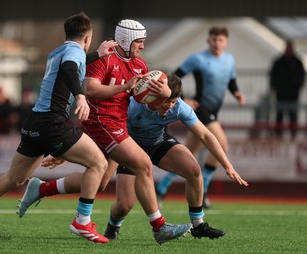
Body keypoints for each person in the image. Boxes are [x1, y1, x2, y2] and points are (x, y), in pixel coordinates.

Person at [19, 19, 193, 245]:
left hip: (117, 123)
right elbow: (90, 90)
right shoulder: (104, 58)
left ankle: (41, 188)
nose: (142, 46)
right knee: (143, 164)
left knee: (99, 181)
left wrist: (164, 93)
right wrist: (124, 87)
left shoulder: (140, 65)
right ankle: (159, 227)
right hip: (103, 122)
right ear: (126, 39)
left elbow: (144, 99)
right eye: (139, 41)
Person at [0, 12, 118, 245]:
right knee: (99, 163)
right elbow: (72, 67)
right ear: (87, 37)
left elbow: (73, 63)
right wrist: (80, 96)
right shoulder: (73, 54)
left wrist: (97, 55)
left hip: (35, 122)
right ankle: (82, 220)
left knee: (14, 178)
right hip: (53, 123)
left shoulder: (57, 52)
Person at [20, 74, 248, 240]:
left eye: (172, 100)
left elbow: (206, 135)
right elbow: (100, 126)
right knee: (115, 198)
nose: (169, 106)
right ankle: (44, 190)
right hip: (125, 145)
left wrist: (227, 165)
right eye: (165, 100)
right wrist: (66, 154)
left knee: (194, 170)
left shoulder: (179, 107)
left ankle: (198, 225)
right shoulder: (132, 105)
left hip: (157, 143)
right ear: (152, 94)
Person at [156, 26, 246, 209]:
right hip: (201, 110)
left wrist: (236, 93)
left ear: (226, 43)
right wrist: (183, 98)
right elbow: (173, 78)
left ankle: (161, 187)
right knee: (221, 144)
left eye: (220, 40)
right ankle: (203, 189)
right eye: (213, 39)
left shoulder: (229, 60)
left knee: (190, 152)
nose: (217, 43)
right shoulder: (198, 59)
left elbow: (230, 80)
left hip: (214, 112)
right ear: (208, 41)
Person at [269, 40, 305, 140]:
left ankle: (293, 135)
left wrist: (296, 86)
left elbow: (301, 77)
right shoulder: (278, 62)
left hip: (293, 95)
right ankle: (278, 135)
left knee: (293, 117)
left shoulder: (297, 62)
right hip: (280, 95)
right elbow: (273, 76)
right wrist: (275, 87)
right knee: (279, 117)